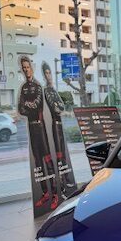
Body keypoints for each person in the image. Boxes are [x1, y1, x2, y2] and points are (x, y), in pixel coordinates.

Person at [17, 55, 57, 210]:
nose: (26, 70)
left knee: (47, 160)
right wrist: (28, 105)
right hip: (31, 129)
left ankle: (55, 194)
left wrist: (27, 105)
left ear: (31, 68)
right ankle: (45, 193)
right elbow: (21, 109)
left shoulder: (38, 86)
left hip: (40, 128)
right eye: (24, 68)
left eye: (28, 67)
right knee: (38, 164)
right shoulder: (23, 88)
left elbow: (36, 105)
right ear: (22, 70)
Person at [41, 61, 74, 200]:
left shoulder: (53, 90)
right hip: (53, 125)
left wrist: (58, 105)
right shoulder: (46, 91)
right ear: (44, 75)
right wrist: (57, 105)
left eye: (50, 73)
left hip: (59, 124)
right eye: (46, 73)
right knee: (59, 156)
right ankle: (61, 187)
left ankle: (66, 181)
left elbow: (61, 106)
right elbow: (55, 107)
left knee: (63, 155)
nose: (49, 76)